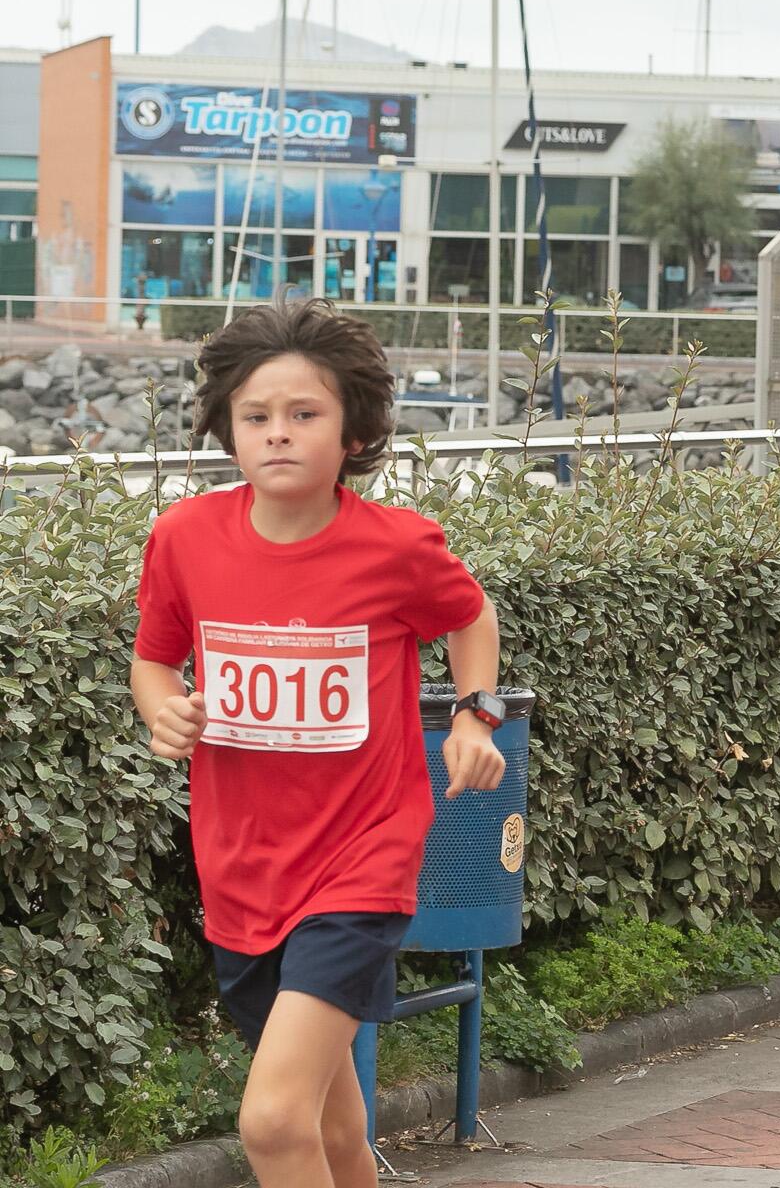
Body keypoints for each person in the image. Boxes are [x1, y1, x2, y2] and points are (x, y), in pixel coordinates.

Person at [130, 301, 507, 1188]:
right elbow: (154, 662)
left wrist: (471, 713)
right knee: (335, 1129)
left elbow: (470, 614)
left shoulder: (396, 548)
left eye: (305, 415)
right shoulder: (184, 538)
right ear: (228, 428)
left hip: (361, 861)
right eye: (257, 417)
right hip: (242, 868)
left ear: (354, 431)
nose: (279, 435)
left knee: (270, 1120)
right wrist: (162, 709)